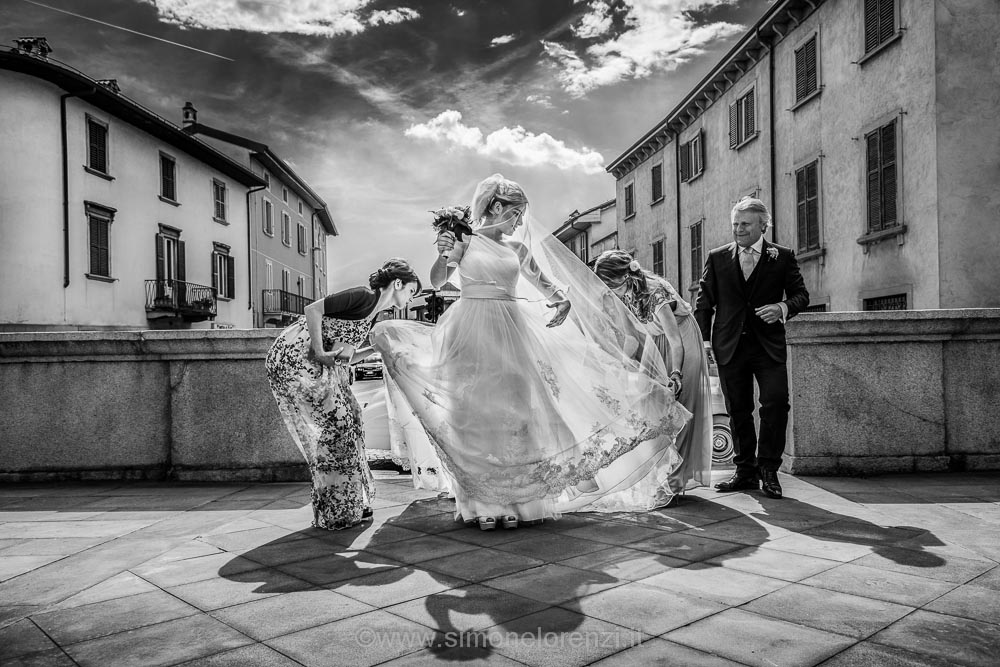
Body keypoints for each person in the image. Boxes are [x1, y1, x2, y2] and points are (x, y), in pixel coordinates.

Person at [371, 174, 691, 530]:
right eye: (516, 213)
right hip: (470, 329)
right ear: (496, 207)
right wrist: (443, 252)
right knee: (474, 415)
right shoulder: (465, 241)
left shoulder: (517, 249)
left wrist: (562, 301)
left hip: (512, 330)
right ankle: (483, 504)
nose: (520, 221)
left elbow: (543, 282)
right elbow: (436, 281)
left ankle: (521, 501)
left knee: (519, 414)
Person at [265, 259, 420, 529]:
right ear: (397, 284)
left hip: (318, 365)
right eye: (410, 291)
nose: (410, 298)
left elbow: (344, 357)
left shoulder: (372, 315)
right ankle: (338, 507)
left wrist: (376, 349)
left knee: (352, 419)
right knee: (339, 427)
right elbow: (312, 310)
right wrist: (320, 350)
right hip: (295, 360)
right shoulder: (363, 296)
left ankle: (347, 503)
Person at [694, 198, 809, 499]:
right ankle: (745, 471)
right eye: (735, 224)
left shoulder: (782, 256)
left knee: (775, 403)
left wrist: (781, 307)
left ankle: (769, 469)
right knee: (738, 410)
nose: (738, 229)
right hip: (729, 346)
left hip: (768, 346)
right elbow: (704, 304)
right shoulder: (717, 257)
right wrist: (704, 342)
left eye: (745, 224)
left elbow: (801, 295)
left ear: (763, 225)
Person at [593, 251, 713, 496]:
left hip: (682, 339)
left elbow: (675, 341)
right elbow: (631, 338)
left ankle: (675, 480)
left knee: (680, 404)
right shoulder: (621, 296)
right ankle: (657, 473)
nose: (607, 290)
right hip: (655, 342)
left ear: (624, 277)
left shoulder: (656, 292)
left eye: (609, 284)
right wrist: (617, 365)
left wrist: (676, 373)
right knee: (649, 405)